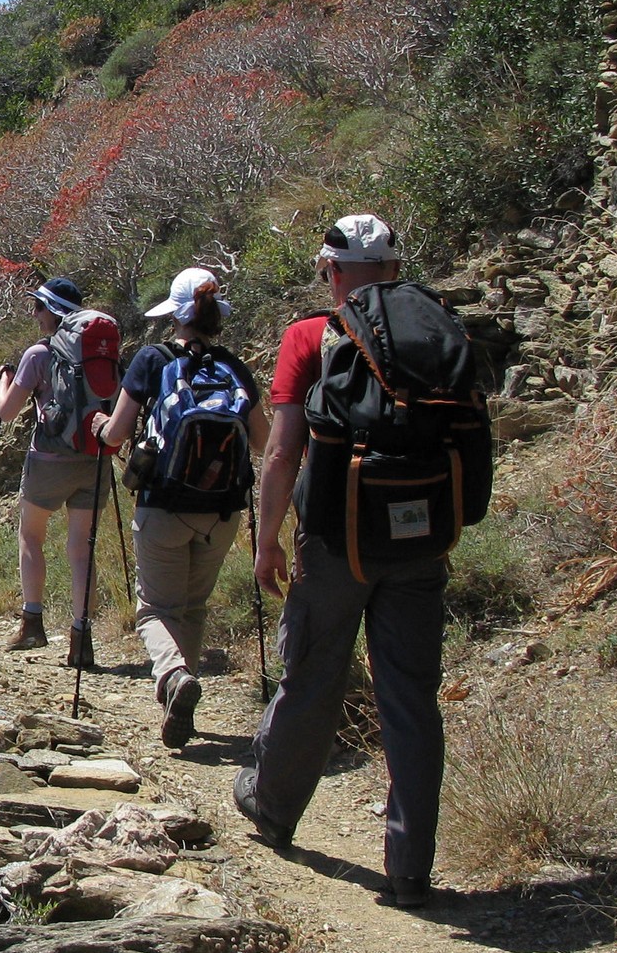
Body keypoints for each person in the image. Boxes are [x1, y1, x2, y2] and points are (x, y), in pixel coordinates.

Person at [240, 212, 446, 909]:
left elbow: (281, 450)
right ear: (393, 268)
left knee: (314, 675)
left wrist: (267, 538)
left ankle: (272, 807)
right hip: (421, 542)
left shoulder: (310, 335)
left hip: (334, 541)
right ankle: (410, 865)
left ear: (332, 271)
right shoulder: (434, 329)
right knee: (411, 696)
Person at [90, 266, 267, 749]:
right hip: (223, 511)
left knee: (154, 611)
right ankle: (178, 701)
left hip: (164, 505)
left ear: (176, 316)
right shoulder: (234, 366)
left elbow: (117, 434)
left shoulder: (152, 359)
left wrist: (101, 424)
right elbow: (264, 440)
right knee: (191, 607)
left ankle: (172, 677)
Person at [0, 278, 113, 660]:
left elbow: (7, 412)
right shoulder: (102, 353)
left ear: (54, 311)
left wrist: (3, 381)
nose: (35, 314)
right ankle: (82, 638)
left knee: (31, 536)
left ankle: (32, 625)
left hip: (48, 461)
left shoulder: (38, 355)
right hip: (95, 458)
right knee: (81, 550)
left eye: (39, 307)